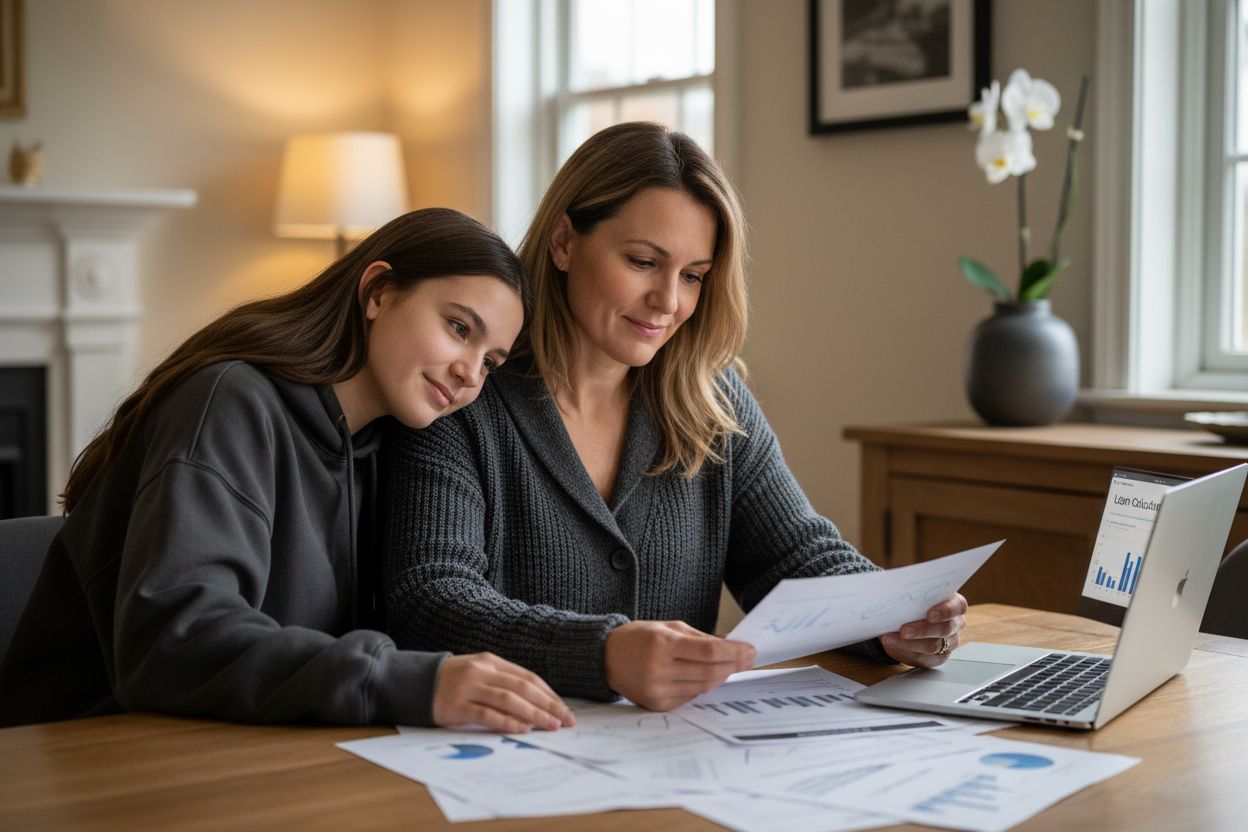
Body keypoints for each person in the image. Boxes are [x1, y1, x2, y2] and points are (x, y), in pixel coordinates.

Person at [382, 124, 967, 712]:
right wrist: (602, 652)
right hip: (503, 755)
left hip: (679, 759)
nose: (668, 301)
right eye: (642, 262)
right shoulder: (462, 393)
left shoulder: (712, 401)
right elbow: (430, 601)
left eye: (692, 275)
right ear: (563, 241)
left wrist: (891, 616)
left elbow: (794, 555)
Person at [0, 208, 574, 734]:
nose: (470, 373)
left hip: (245, 747)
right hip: (88, 755)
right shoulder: (230, 402)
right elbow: (177, 640)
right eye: (458, 328)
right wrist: (409, 681)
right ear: (378, 291)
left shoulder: (385, 448)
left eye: (490, 362)